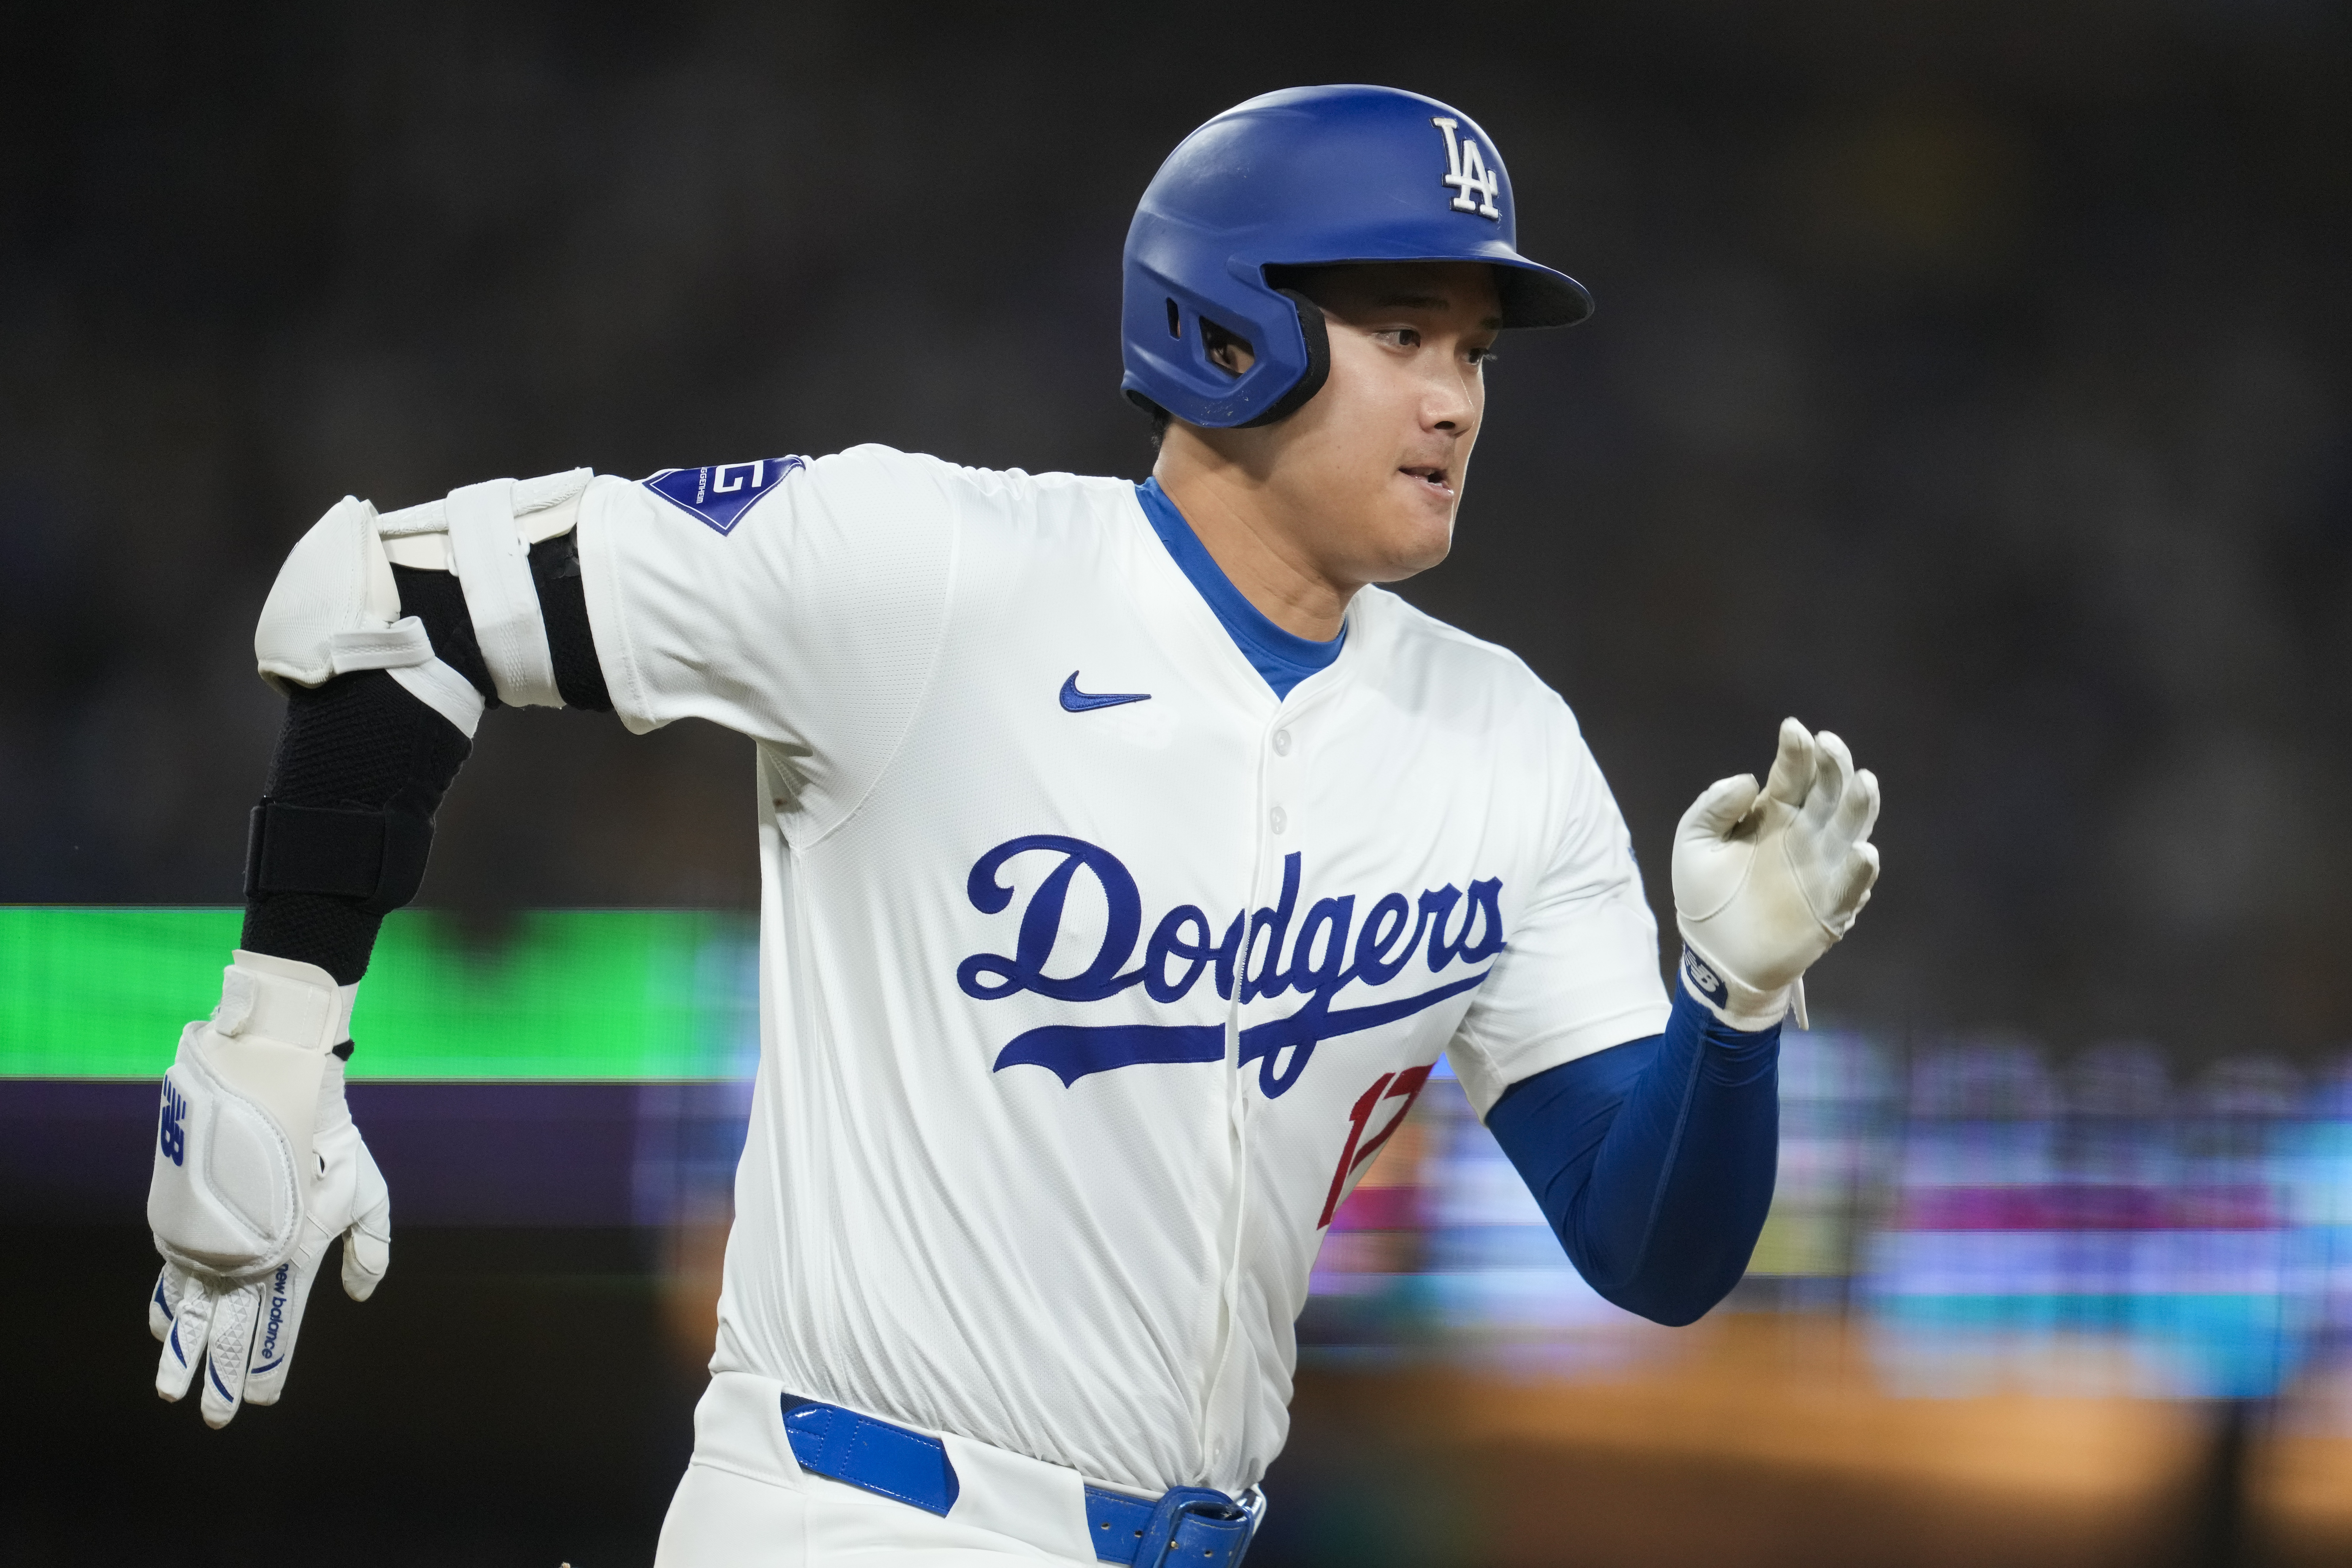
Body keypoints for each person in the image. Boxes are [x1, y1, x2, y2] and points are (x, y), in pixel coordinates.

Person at [141, 85, 1881, 1567]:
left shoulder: (1498, 740)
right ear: (1226, 326)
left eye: (1474, 351)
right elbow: (382, 600)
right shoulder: (933, 570)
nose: (1454, 398)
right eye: (1402, 331)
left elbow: (1648, 1255)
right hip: (848, 1517)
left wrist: (1726, 1014)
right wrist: (279, 1031)